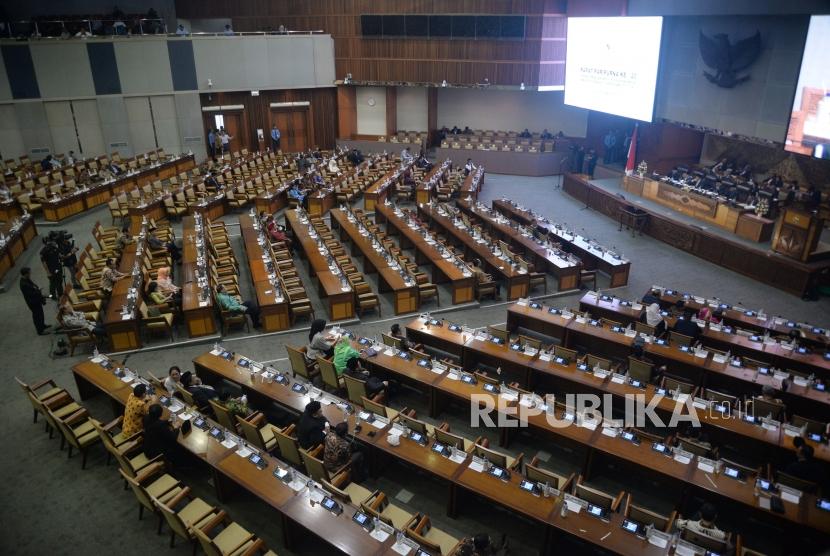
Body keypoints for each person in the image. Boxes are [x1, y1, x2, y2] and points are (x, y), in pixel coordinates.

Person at [20, 267, 51, 335]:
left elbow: (33, 285)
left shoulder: (27, 279)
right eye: (29, 273)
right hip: (33, 302)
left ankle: (43, 325)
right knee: (37, 316)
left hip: (36, 300)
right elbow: (30, 294)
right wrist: (38, 290)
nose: (30, 274)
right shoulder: (23, 284)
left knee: (41, 314)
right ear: (26, 274)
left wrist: (37, 288)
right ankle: (40, 331)